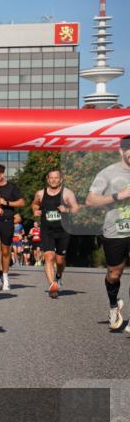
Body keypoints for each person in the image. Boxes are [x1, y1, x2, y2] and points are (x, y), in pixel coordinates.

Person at [85, 136, 130, 331]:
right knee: (114, 273)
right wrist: (118, 196)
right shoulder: (108, 173)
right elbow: (90, 201)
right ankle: (113, 306)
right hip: (115, 229)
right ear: (121, 151)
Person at [31, 169, 80, 299]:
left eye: (56, 178)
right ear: (47, 179)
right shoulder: (41, 193)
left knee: (60, 260)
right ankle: (52, 284)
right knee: (49, 257)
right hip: (47, 231)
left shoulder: (67, 193)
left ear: (61, 179)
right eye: (51, 178)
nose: (53, 180)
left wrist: (66, 209)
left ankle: (58, 275)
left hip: (63, 231)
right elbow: (35, 204)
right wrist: (35, 211)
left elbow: (76, 208)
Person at [0, 163, 25, 291]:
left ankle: (5, 277)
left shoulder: (11, 187)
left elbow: (22, 202)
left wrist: (6, 202)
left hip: (7, 221)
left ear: (2, 174)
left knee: (5, 251)